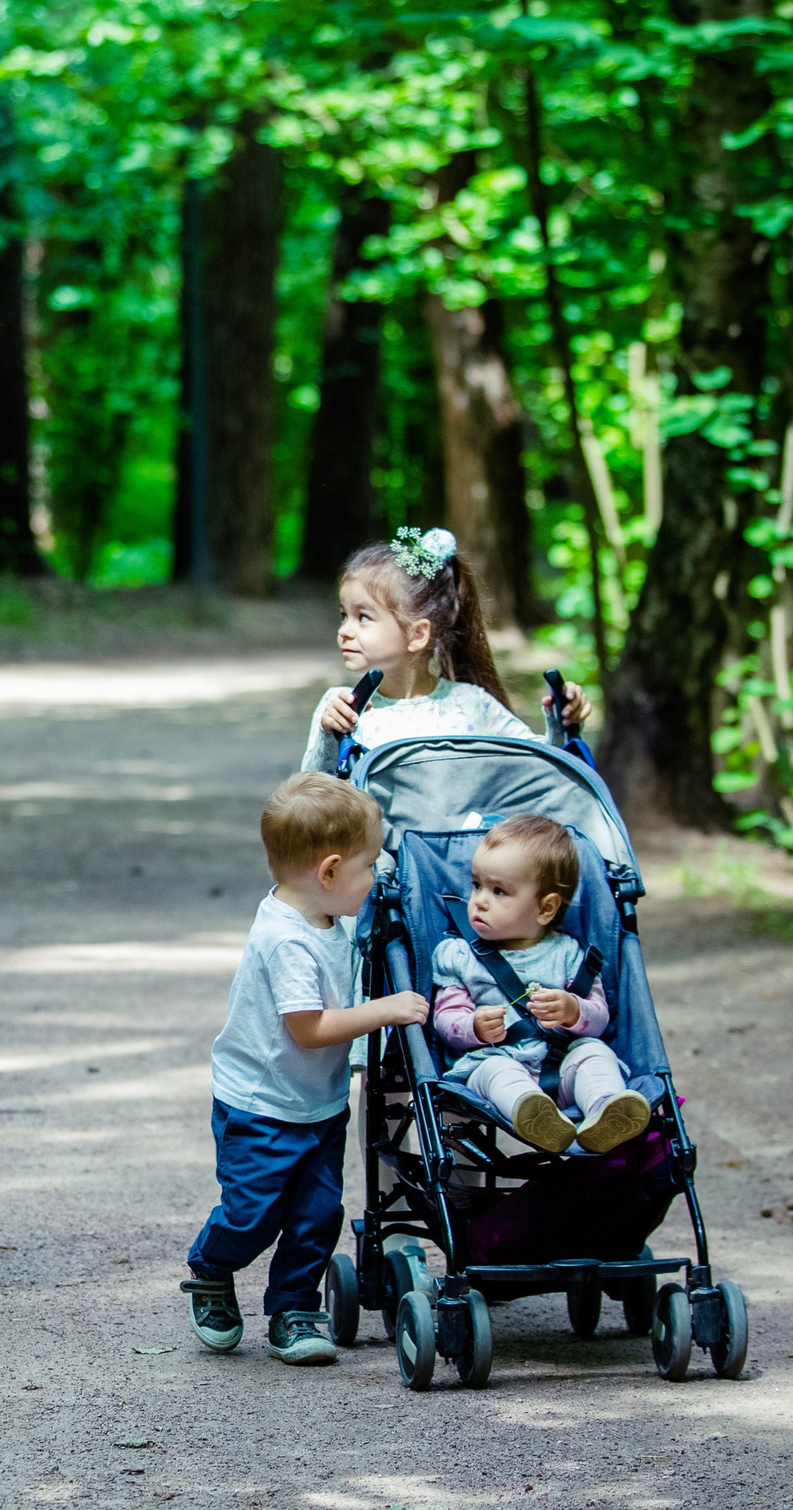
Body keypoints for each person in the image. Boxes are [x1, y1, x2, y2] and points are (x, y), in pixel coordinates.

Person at [180, 774, 430, 1365]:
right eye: (370, 866)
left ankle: (293, 1308)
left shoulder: (327, 914)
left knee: (317, 1215)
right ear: (331, 871)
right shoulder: (286, 940)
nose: (376, 877)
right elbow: (309, 1029)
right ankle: (211, 1266)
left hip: (317, 1102)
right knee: (252, 1215)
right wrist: (385, 1010)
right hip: (260, 1107)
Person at [429, 813, 649, 1156]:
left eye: (499, 891)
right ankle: (533, 1113)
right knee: (496, 1070)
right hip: (494, 1061)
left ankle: (605, 1110)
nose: (480, 900)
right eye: (476, 885)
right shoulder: (458, 955)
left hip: (561, 1066)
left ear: (546, 908)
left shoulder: (569, 953)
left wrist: (573, 1009)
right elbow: (444, 1019)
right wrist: (473, 1026)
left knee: (594, 1053)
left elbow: (599, 1018)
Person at [302, 526, 591, 773]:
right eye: (344, 616)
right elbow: (313, 794)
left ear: (417, 634)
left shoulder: (471, 704)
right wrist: (332, 736)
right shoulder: (342, 707)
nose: (345, 630)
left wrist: (563, 723)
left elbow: (539, 767)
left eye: (363, 617)